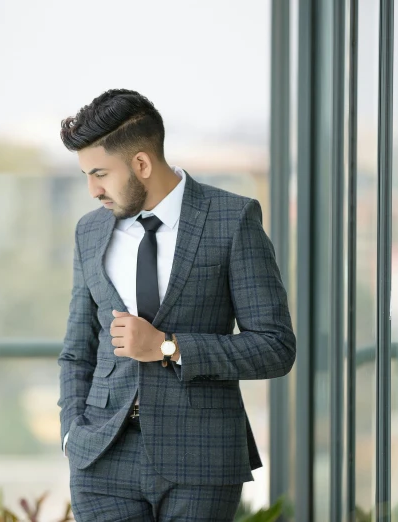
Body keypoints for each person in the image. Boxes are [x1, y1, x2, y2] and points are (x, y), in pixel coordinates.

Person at [56, 89, 296, 521]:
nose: (93, 190)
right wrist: (72, 433)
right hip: (102, 459)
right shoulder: (89, 232)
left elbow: (276, 347)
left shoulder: (232, 219)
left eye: (100, 174)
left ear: (141, 164)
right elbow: (77, 350)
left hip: (201, 460)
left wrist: (169, 346)